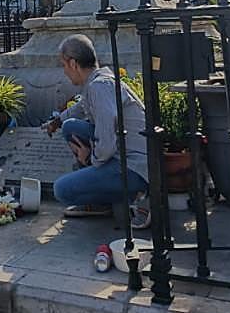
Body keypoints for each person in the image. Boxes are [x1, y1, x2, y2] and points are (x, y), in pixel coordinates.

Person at [45, 34, 151, 229]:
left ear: (74, 64)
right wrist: (57, 121)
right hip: (122, 152)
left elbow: (108, 142)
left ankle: (134, 196)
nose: (65, 72)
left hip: (134, 166)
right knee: (70, 126)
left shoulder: (100, 87)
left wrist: (90, 158)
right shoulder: (95, 82)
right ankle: (103, 201)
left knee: (62, 189)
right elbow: (78, 109)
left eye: (64, 65)